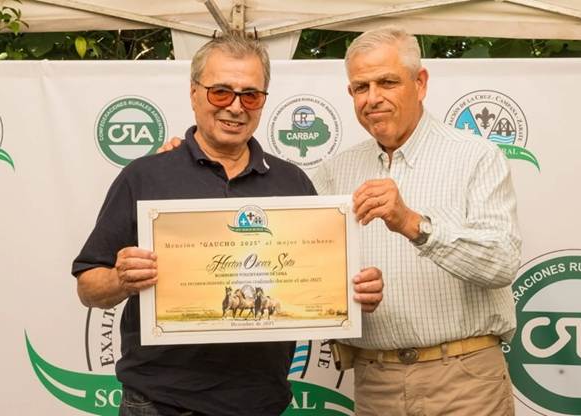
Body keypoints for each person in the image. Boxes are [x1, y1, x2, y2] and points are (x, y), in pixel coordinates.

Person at [72, 33, 383, 416]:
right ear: (194, 93)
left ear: (263, 101)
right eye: (221, 92)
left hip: (260, 403)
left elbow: (317, 282)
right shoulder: (144, 176)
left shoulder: (292, 183)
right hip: (159, 403)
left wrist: (354, 293)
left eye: (250, 95)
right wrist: (121, 278)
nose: (235, 107)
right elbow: (88, 287)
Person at [312, 27, 521, 415]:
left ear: (420, 83)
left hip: (464, 382)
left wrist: (413, 224)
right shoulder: (334, 171)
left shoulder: (475, 156)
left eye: (387, 82)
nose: (373, 98)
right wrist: (345, 294)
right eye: (361, 87)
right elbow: (309, 271)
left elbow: (502, 263)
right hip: (375, 382)